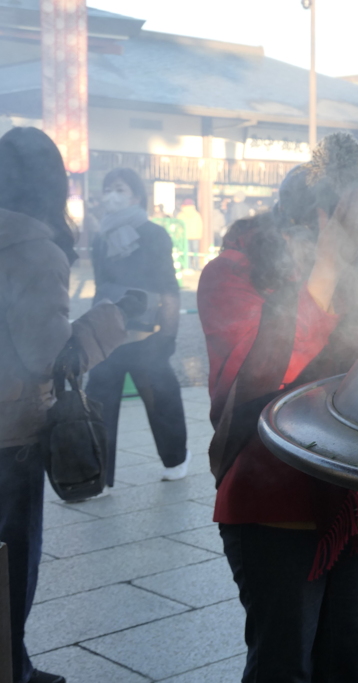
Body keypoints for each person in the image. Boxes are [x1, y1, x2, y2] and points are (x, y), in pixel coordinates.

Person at [199, 133, 358, 683]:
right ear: (303, 221)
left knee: (343, 660)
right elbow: (269, 370)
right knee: (283, 664)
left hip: (352, 500)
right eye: (346, 228)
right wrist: (326, 264)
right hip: (271, 498)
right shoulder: (230, 274)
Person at [0, 127, 129, 683]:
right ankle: (12, 666)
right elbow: (44, 356)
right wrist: (108, 322)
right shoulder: (32, 249)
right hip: (10, 434)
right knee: (14, 559)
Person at [87, 168, 190, 487]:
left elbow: (168, 287)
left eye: (118, 189)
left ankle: (175, 459)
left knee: (162, 400)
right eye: (107, 189)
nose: (111, 195)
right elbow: (101, 284)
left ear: (135, 195)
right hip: (108, 335)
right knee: (98, 406)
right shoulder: (100, 239)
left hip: (147, 337)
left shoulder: (154, 234)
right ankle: (98, 475)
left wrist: (167, 336)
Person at [177, 198, 204, 270]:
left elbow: (179, 227)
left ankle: (188, 266)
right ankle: (196, 266)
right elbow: (200, 225)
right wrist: (199, 234)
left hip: (185, 236)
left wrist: (179, 236)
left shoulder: (181, 215)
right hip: (195, 236)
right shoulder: (197, 214)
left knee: (187, 252)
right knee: (195, 251)